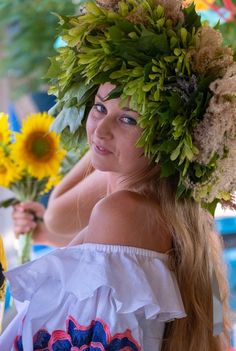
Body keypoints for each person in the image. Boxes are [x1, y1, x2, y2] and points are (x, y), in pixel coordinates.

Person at [1, 0, 236, 350]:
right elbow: (59, 220)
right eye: (98, 106)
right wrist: (48, 232)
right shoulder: (168, 207)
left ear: (167, 138)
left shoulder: (124, 209)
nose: (100, 130)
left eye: (129, 119)